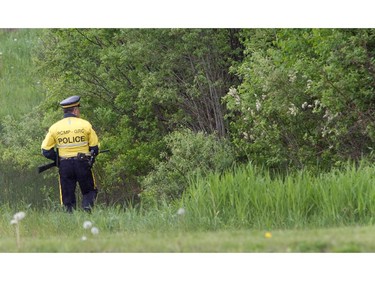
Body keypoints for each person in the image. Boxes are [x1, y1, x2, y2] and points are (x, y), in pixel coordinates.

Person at [41, 95, 99, 213]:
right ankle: (87, 213)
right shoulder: (85, 125)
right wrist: (90, 160)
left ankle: (70, 219)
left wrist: (58, 160)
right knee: (89, 191)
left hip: (65, 165)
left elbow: (45, 150)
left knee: (67, 197)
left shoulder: (55, 128)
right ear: (75, 110)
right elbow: (95, 148)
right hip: (83, 163)